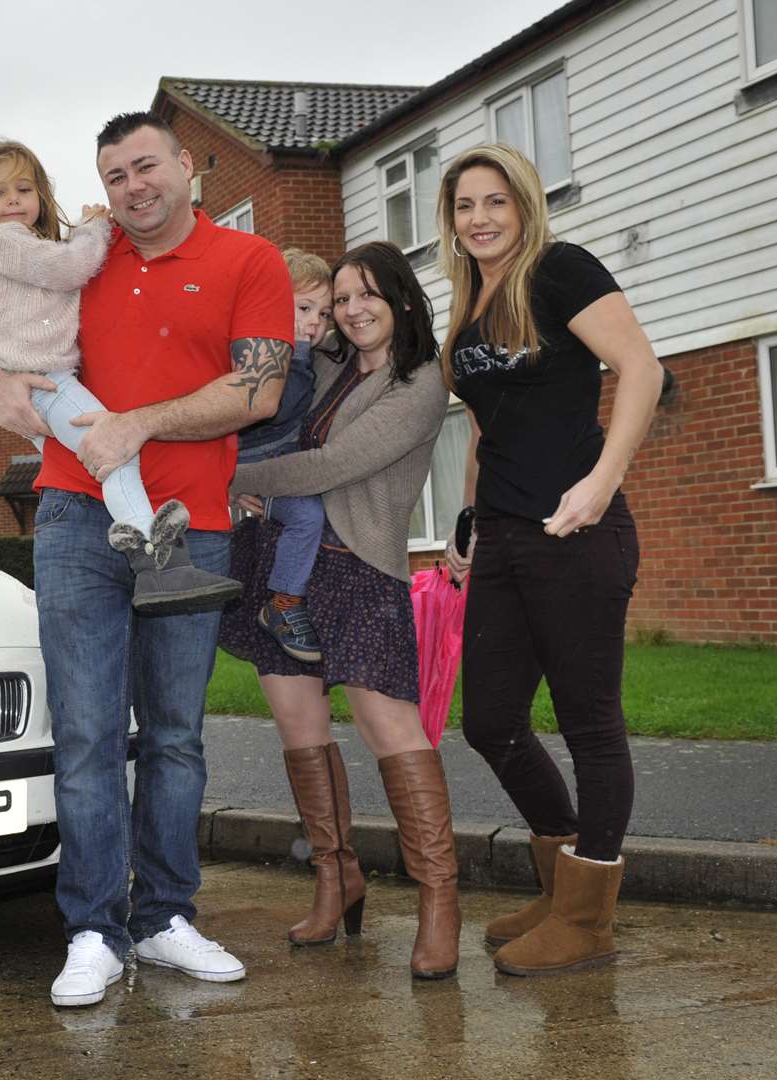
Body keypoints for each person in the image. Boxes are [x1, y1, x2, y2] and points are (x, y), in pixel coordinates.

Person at [0, 111, 294, 1007]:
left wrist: (138, 423)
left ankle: (165, 918)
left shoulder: (249, 262)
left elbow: (259, 390)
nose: (132, 187)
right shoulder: (84, 255)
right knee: (85, 735)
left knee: (177, 734)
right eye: (115, 176)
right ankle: (91, 930)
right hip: (75, 519)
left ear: (187, 165)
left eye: (145, 166)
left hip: (190, 524)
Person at [436, 144, 663, 977]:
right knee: (490, 721)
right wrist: (467, 517)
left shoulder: (561, 269)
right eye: (465, 206)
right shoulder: (468, 298)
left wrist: (602, 484)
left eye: (497, 202)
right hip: (501, 535)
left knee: (590, 723)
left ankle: (587, 915)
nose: (481, 218)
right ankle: (560, 884)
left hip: (575, 532)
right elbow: (488, 425)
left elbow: (641, 367)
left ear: (525, 206)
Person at [224, 240, 460, 980]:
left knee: (391, 728)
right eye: (344, 298)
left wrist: (229, 475)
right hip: (281, 567)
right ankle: (336, 876)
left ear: (401, 302)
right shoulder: (323, 365)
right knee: (299, 730)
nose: (353, 311)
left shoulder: (419, 382)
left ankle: (439, 901)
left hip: (358, 567)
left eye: (369, 297)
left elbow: (333, 467)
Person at [0, 139, 242, 614]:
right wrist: (93, 229)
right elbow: (70, 270)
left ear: (41, 195)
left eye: (23, 189)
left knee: (97, 458)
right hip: (49, 382)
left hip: (45, 379)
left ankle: (153, 558)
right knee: (114, 452)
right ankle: (157, 560)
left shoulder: (20, 247)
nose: (12, 201)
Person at [235, 248, 337, 661]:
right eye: (305, 308)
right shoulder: (265, 353)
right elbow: (279, 405)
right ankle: (283, 604)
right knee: (307, 516)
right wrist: (294, 353)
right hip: (262, 465)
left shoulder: (308, 353)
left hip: (280, 462)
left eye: (325, 313)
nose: (316, 322)